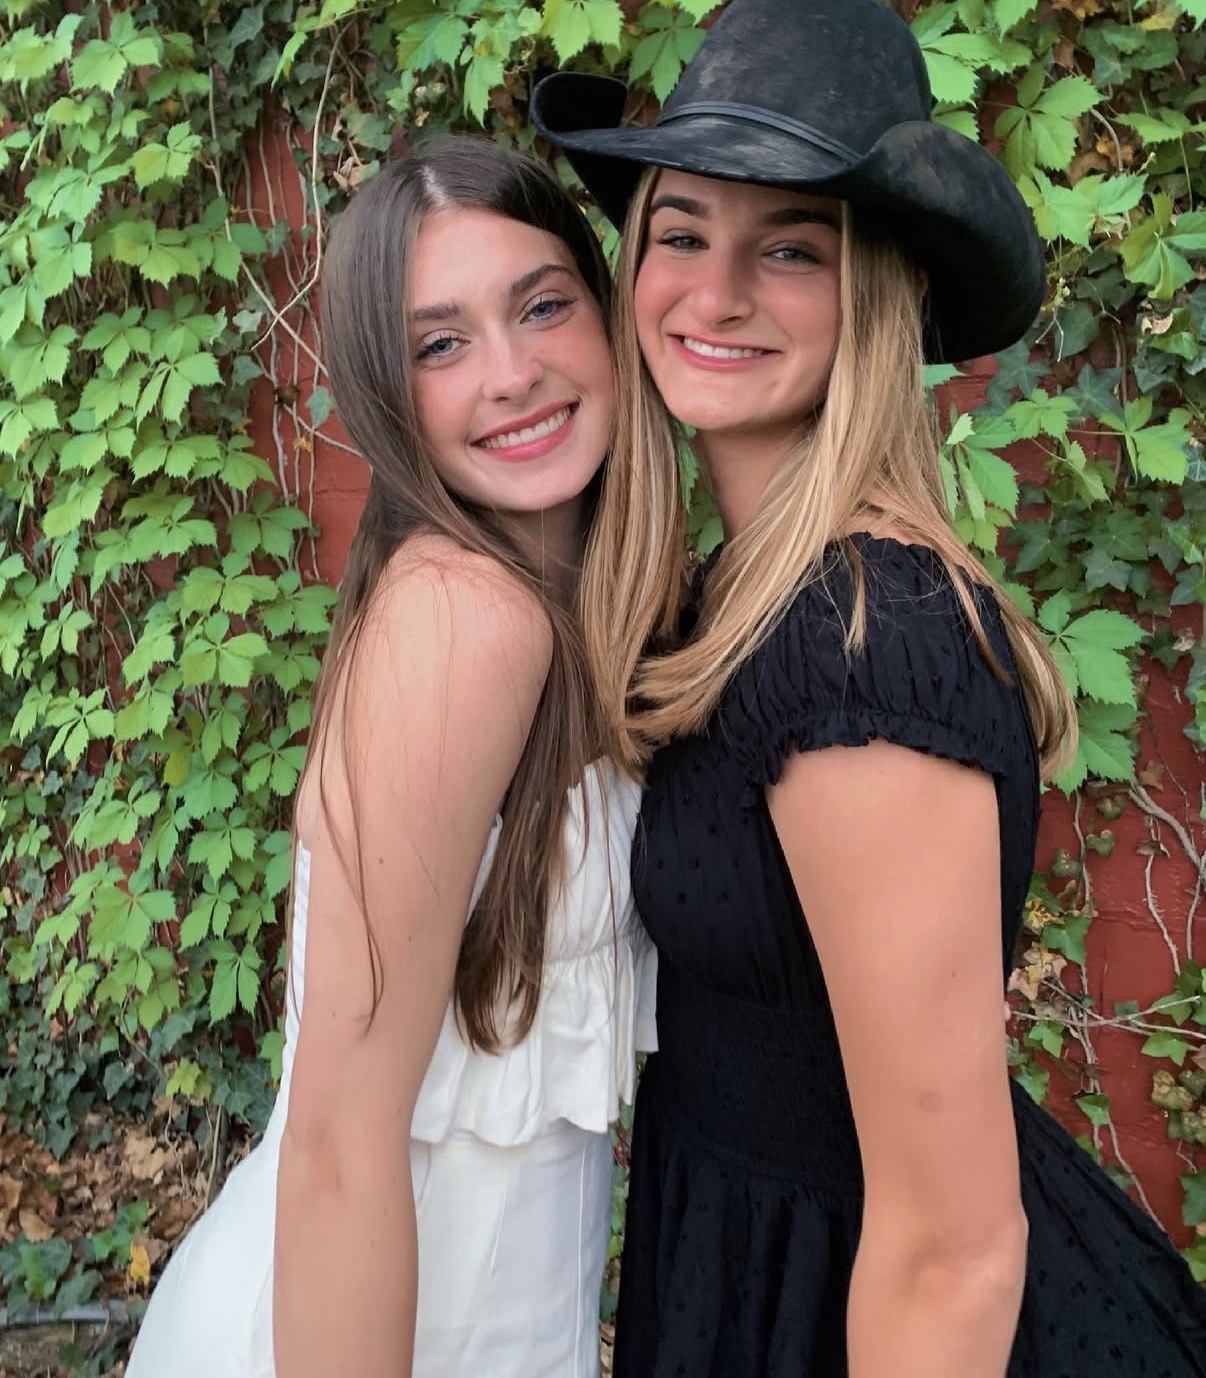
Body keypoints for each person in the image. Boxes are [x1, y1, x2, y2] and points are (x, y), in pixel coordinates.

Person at [532, 2, 1206, 1375]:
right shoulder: (747, 593)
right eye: (682, 232)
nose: (716, 292)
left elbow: (953, 1250)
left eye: (791, 248)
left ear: (875, 295)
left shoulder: (865, 643)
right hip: (751, 1265)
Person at [126, 137, 654, 1378]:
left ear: (604, 311)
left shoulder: (581, 607)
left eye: (541, 306)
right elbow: (339, 1144)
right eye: (440, 345)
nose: (512, 374)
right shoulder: (466, 621)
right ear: (384, 391)